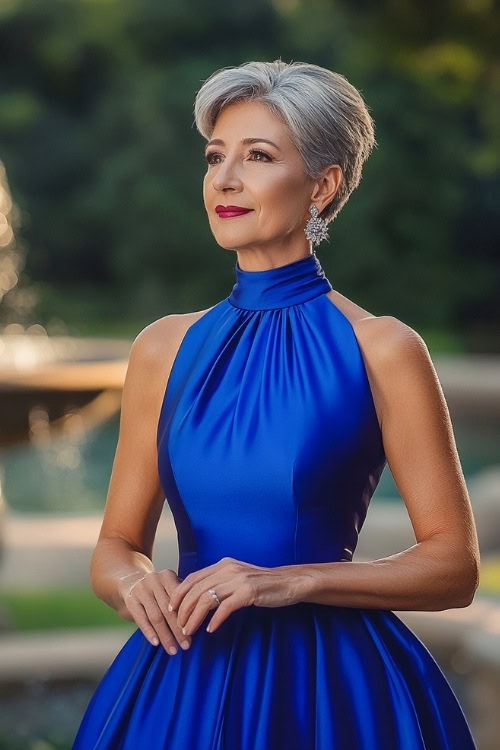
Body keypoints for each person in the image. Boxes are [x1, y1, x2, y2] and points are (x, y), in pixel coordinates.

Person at [72, 59, 480, 749]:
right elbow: (116, 547)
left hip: (332, 690)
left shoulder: (382, 348)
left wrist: (287, 582)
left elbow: (454, 567)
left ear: (323, 186)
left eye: (258, 156)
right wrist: (134, 584)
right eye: (214, 157)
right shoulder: (163, 349)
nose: (225, 180)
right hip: (179, 678)